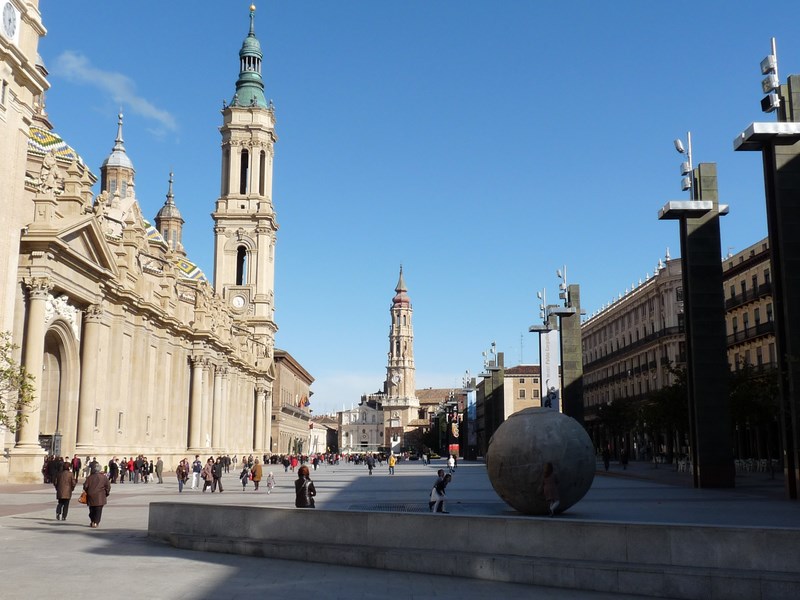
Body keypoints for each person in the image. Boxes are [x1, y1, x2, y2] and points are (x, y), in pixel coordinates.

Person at [83, 463, 111, 528]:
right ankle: (96, 522)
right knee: (98, 510)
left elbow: (85, 486)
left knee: (92, 510)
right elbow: (108, 486)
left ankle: (93, 520)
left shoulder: (90, 477)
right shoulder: (104, 477)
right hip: (100, 496)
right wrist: (106, 493)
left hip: (91, 495)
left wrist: (87, 491)